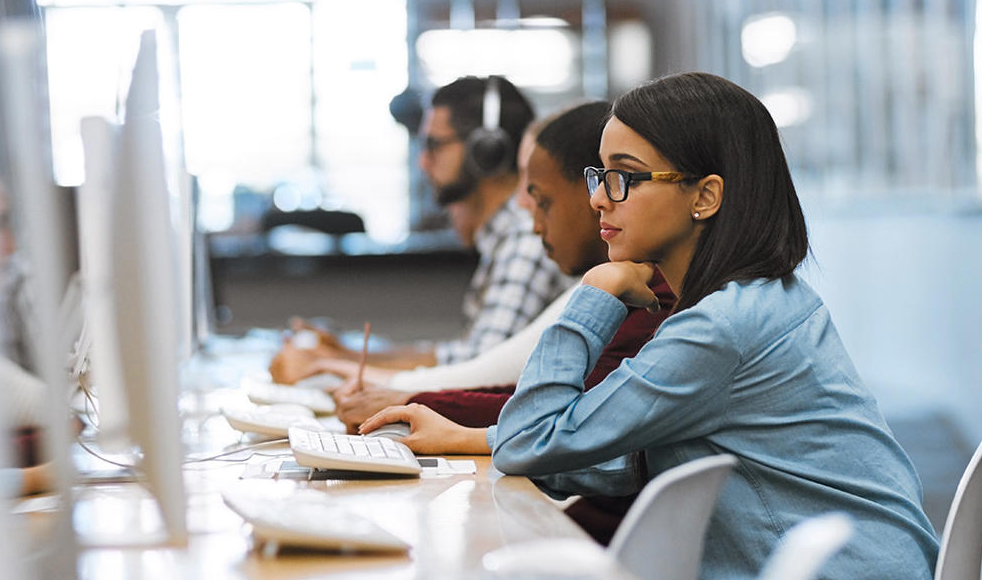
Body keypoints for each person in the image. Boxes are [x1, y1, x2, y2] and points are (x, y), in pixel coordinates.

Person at [362, 72, 940, 578]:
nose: (598, 201)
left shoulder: (720, 329)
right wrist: (473, 439)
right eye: (599, 175)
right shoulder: (761, 300)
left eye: (625, 178)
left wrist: (594, 291)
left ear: (706, 196)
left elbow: (530, 440)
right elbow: (637, 455)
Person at [331, 102, 669, 430]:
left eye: (625, 178)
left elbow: (555, 423)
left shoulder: (651, 298)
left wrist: (409, 402)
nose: (598, 199)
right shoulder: (629, 283)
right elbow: (543, 408)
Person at [271, 76, 568, 379]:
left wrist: (334, 365)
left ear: (485, 152)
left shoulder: (525, 239)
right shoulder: (505, 238)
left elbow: (477, 370)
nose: (422, 162)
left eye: (434, 145)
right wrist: (344, 355)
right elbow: (461, 355)